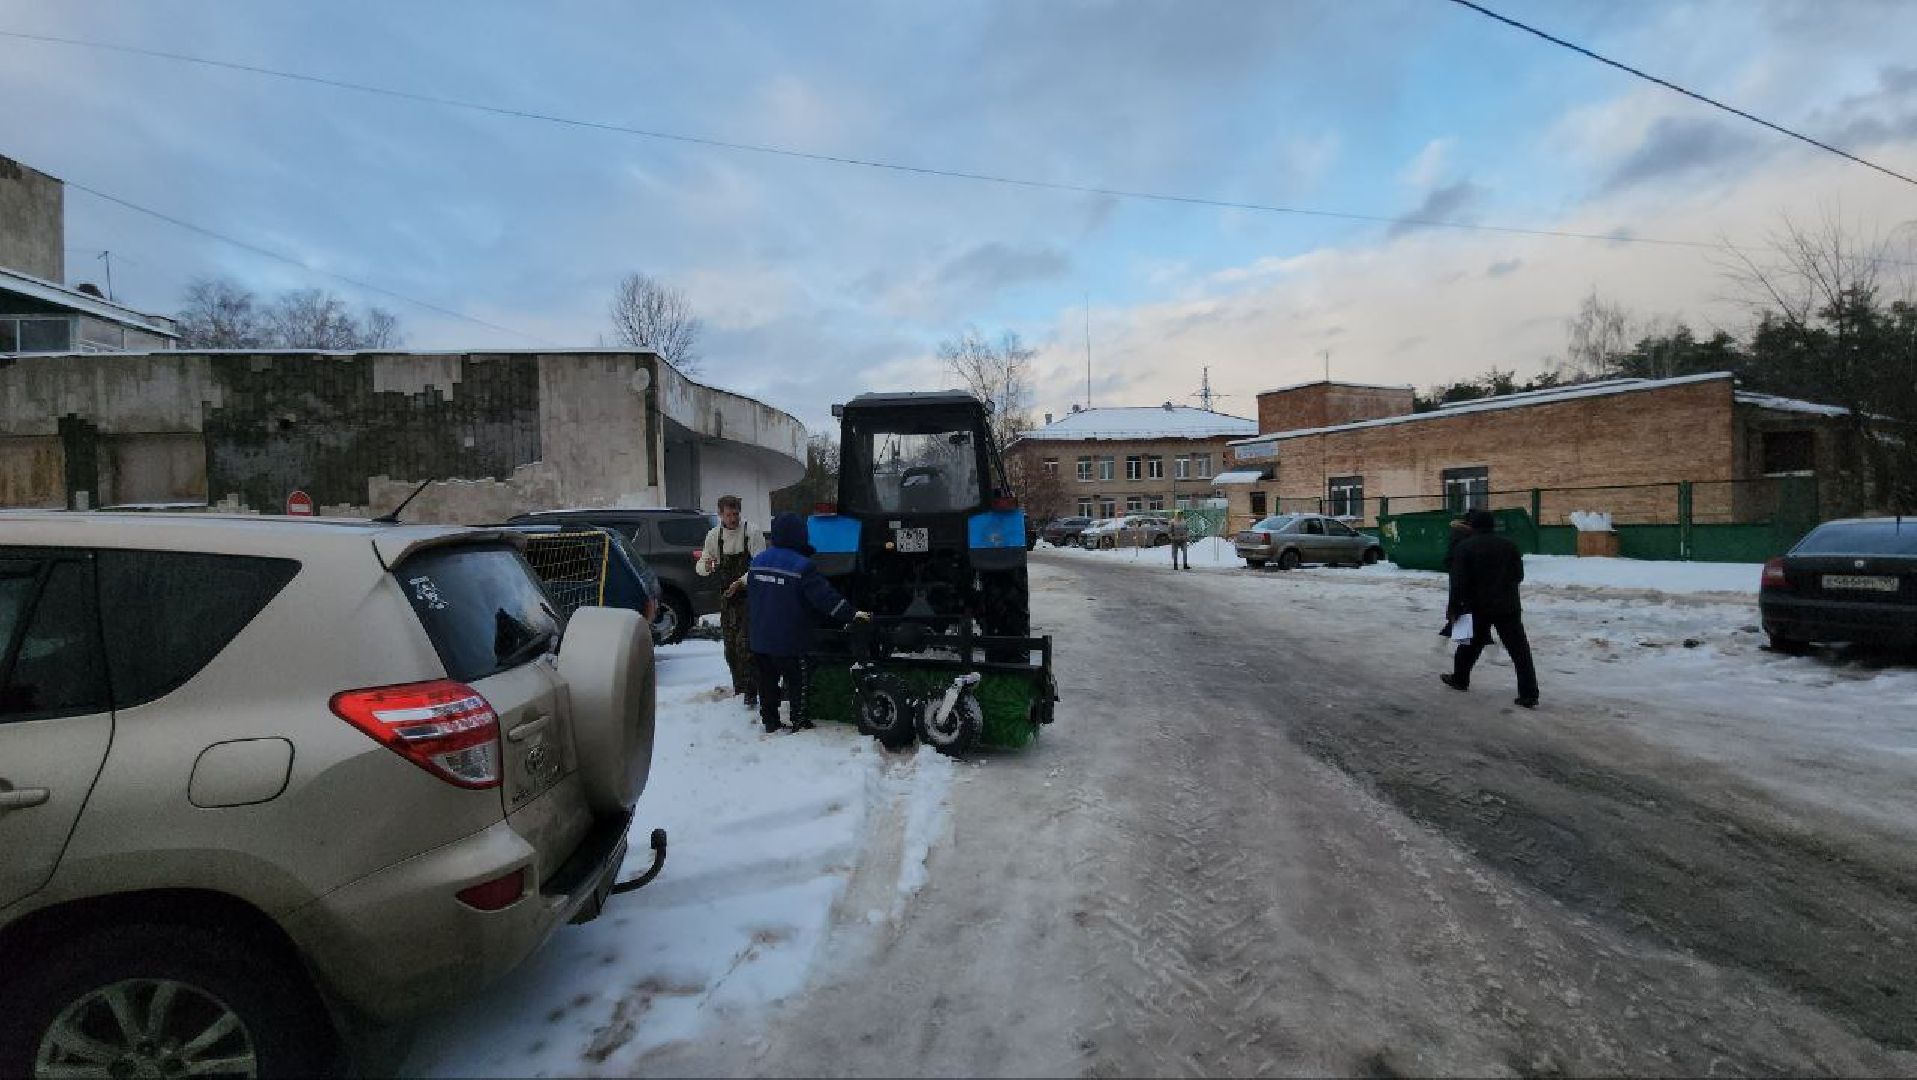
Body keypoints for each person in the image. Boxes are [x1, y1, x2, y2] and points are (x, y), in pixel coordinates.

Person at [747, 512, 868, 733]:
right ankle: (799, 720)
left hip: (760, 638)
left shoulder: (757, 562)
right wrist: (852, 614)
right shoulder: (803, 567)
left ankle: (770, 721)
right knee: (797, 679)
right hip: (788, 641)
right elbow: (825, 600)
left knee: (767, 682)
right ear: (800, 536)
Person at [1440, 510, 1539, 708]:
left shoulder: (1464, 547)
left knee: (1468, 645)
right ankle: (1529, 694)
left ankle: (1460, 679)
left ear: (1472, 526)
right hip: (1507, 606)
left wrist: (1454, 608)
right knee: (1520, 652)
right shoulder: (1509, 545)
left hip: (1476, 606)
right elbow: (1518, 576)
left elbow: (1458, 582)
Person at [697, 495, 763, 707]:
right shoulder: (714, 536)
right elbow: (703, 563)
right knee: (730, 648)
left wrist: (741, 582)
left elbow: (759, 566)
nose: (733, 518)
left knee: (746, 645)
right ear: (720, 515)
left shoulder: (751, 532)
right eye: (728, 514)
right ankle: (739, 687)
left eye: (736, 514)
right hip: (727, 599)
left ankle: (752, 691)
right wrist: (706, 567)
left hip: (749, 596)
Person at [1437, 517, 1473, 637]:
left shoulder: (1456, 533)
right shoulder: (1467, 535)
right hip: (1464, 571)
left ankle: (1451, 628)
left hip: (1457, 570)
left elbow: (1449, 555)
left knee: (1460, 600)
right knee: (1466, 602)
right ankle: (1456, 631)